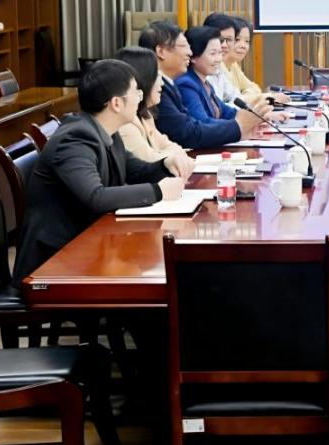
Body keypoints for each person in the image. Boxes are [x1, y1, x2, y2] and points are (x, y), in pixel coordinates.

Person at [10, 59, 193, 289]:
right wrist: (158, 192)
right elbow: (95, 197)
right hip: (54, 263)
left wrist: (166, 163)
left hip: (87, 247)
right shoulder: (75, 139)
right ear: (116, 103)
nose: (140, 97)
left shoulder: (106, 131)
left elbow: (135, 170)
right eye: (136, 92)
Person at [138, 20, 269, 149]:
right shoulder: (160, 88)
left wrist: (249, 120)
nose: (190, 52)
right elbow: (188, 132)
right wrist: (238, 126)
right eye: (183, 46)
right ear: (161, 52)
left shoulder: (172, 84)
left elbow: (215, 114)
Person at [114, 46, 191, 164]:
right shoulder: (124, 122)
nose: (162, 83)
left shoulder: (146, 114)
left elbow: (172, 146)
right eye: (157, 75)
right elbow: (150, 160)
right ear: (142, 78)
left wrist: (168, 154)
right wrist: (170, 156)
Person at [176, 25, 239, 123]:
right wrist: (239, 125)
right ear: (193, 57)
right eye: (213, 53)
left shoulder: (205, 83)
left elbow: (227, 112)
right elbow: (203, 123)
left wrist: (254, 116)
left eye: (220, 53)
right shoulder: (186, 84)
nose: (218, 59)